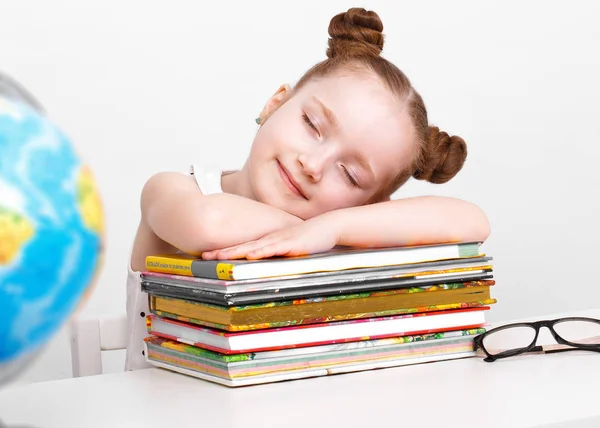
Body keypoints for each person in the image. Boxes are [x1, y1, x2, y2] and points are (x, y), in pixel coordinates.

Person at [124, 7, 490, 371]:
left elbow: (472, 221)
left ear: (372, 203)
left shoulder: (333, 227)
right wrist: (330, 228)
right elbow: (209, 224)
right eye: (312, 124)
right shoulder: (174, 189)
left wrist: (333, 227)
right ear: (276, 102)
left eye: (349, 174)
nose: (312, 165)